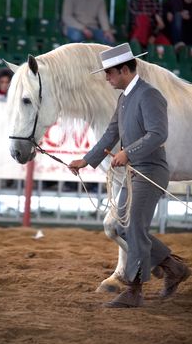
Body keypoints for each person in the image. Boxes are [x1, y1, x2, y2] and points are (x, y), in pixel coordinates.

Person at [68, 43, 191, 308]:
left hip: (151, 171)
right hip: (136, 171)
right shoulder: (124, 98)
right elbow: (111, 133)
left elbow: (159, 134)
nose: (106, 78)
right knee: (122, 226)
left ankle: (134, 291)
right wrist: (86, 161)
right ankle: (173, 267)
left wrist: (128, 153)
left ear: (124, 70)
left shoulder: (149, 95)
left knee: (133, 226)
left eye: (109, 73)